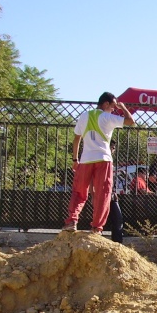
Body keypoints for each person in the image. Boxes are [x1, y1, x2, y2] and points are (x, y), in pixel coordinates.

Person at [63, 92, 135, 233]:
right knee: (103, 194)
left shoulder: (84, 116)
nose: (114, 109)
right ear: (106, 104)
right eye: (113, 105)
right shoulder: (107, 117)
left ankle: (72, 221)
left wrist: (75, 159)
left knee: (78, 192)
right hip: (104, 159)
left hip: (85, 160)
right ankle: (96, 228)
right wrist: (124, 108)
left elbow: (76, 138)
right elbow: (130, 121)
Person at [108, 139, 124, 243]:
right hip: (103, 192)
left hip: (111, 192)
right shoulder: (102, 159)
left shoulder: (110, 160)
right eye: (112, 148)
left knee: (118, 218)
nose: (113, 150)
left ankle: (117, 243)